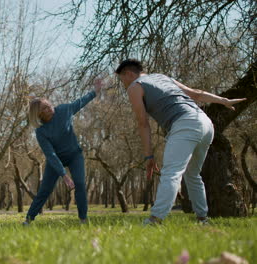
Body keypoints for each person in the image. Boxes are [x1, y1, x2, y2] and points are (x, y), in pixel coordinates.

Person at [115, 59, 246, 225]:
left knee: (171, 173)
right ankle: (202, 219)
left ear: (128, 74)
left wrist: (149, 156)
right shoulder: (163, 77)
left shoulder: (135, 86)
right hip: (205, 123)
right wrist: (223, 100)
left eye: (122, 80)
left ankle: (155, 219)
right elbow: (196, 94)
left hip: (186, 123)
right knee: (192, 174)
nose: (123, 84)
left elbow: (143, 123)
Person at [23, 80, 102, 225]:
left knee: (79, 183)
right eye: (45, 109)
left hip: (74, 156)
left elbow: (80, 102)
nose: (49, 109)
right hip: (55, 161)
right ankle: (28, 220)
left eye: (49, 105)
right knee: (45, 190)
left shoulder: (64, 110)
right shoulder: (41, 132)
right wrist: (64, 176)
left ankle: (83, 219)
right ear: (39, 115)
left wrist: (95, 91)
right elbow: (50, 155)